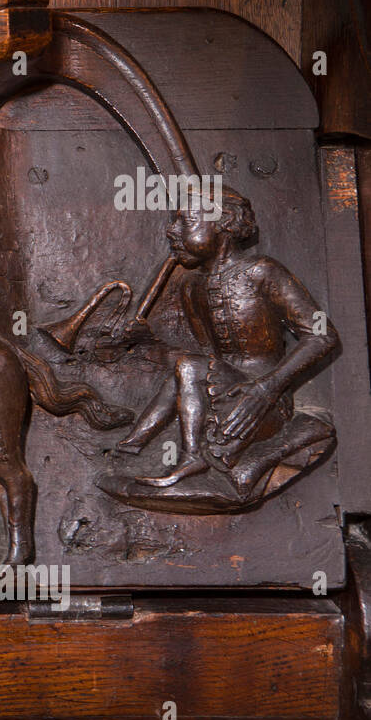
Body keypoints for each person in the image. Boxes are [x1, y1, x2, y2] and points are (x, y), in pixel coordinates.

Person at [117, 187, 339, 492]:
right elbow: (206, 361)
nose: (172, 230)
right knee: (185, 369)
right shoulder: (192, 287)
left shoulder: (262, 272)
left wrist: (266, 388)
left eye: (185, 221)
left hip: (264, 406)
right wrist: (147, 341)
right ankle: (131, 445)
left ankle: (192, 457)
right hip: (223, 398)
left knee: (190, 367)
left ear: (226, 224)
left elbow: (321, 335)